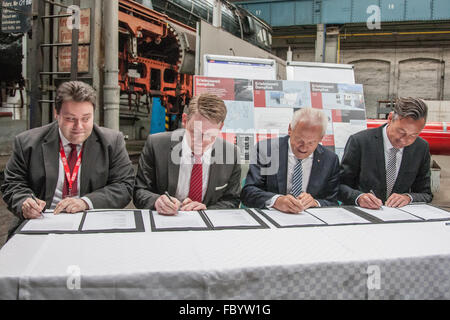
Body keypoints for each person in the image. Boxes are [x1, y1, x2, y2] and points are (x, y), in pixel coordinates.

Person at [1, 81, 135, 220]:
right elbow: (12, 184)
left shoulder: (112, 142)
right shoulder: (27, 143)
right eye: (70, 119)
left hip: (91, 219)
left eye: (86, 118)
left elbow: (124, 186)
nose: (79, 126)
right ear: (56, 114)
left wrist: (86, 202)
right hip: (41, 219)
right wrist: (25, 202)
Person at [133, 93, 241, 214]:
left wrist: (207, 211)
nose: (203, 141)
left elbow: (232, 200)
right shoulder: (156, 145)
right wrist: (156, 201)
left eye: (211, 135)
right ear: (184, 120)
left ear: (221, 127)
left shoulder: (231, 154)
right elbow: (139, 191)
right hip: (165, 220)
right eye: (195, 133)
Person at [241, 108, 340, 213]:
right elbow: (248, 193)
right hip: (274, 217)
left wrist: (315, 203)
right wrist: (276, 200)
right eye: (299, 140)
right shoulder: (265, 150)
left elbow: (333, 201)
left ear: (321, 138)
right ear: (290, 129)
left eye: (311, 143)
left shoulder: (330, 160)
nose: (304, 148)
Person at [339, 97, 432, 209]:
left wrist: (408, 197)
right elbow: (340, 186)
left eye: (413, 135)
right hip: (364, 215)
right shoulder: (360, 142)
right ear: (390, 118)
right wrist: (358, 197)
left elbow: (426, 194)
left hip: (398, 218)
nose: (404, 140)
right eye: (401, 132)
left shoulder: (421, 148)